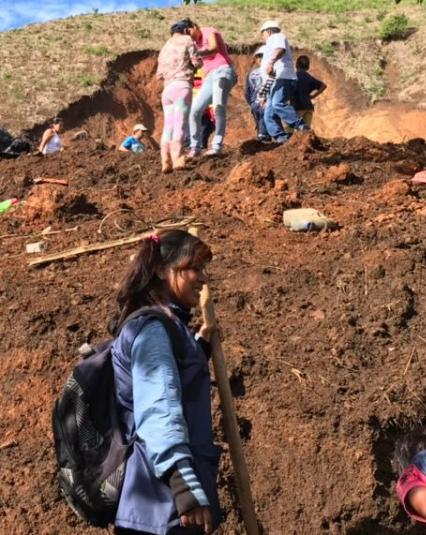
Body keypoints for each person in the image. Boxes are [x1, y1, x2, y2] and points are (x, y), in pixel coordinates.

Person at [110, 229, 220, 535]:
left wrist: (199, 349)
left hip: (160, 506)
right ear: (161, 270)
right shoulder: (154, 330)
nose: (202, 279)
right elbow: (159, 407)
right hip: (162, 505)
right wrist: (183, 485)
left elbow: (175, 384)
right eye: (194, 268)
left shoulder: (166, 327)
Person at [186, 20, 235, 157]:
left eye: (189, 31)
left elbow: (214, 48)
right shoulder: (195, 43)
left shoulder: (207, 30)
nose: (189, 36)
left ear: (194, 26)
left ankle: (216, 146)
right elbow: (198, 63)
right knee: (194, 111)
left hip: (223, 71)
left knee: (218, 107)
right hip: (209, 76)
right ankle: (195, 147)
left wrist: (197, 53)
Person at [156, 20, 200, 172]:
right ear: (186, 30)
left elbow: (159, 75)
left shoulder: (165, 47)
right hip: (182, 86)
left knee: (168, 126)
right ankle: (178, 159)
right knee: (180, 124)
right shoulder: (187, 40)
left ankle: (165, 160)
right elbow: (197, 62)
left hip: (167, 90)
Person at [259, 21, 310, 144]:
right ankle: (282, 140)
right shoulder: (270, 44)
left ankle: (301, 125)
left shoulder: (276, 36)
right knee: (269, 115)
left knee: (277, 104)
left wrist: (270, 62)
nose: (262, 37)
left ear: (268, 31)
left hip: (284, 78)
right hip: (276, 82)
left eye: (262, 34)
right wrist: (264, 94)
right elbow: (269, 75)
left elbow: (280, 49)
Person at [291, 55, 327, 132]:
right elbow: (324, 86)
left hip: (297, 107)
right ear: (308, 67)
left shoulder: (293, 77)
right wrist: (313, 96)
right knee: (305, 132)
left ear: (296, 65)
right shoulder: (309, 77)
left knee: (293, 132)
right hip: (309, 107)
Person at [245, 47, 271, 143]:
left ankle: (262, 137)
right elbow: (247, 91)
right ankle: (264, 137)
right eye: (259, 56)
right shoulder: (270, 71)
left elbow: (247, 92)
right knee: (263, 123)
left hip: (255, 103)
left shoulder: (251, 73)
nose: (260, 59)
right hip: (264, 102)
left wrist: (251, 102)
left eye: (262, 56)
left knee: (260, 122)